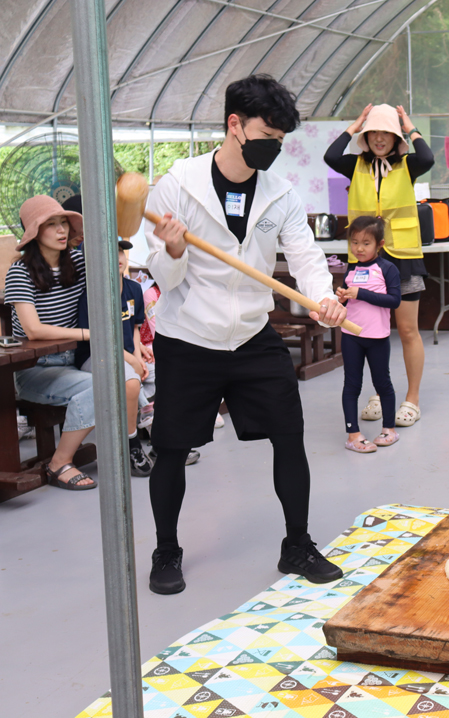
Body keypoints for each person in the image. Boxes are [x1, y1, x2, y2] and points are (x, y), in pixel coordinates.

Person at [144, 74, 347, 595]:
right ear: (234, 125)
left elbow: (304, 256)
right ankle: (166, 550)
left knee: (290, 437)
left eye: (280, 140)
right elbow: (162, 276)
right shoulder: (178, 184)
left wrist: (322, 297)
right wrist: (173, 249)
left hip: (253, 335)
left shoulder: (280, 193)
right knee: (171, 447)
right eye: (266, 136)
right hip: (188, 337)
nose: (272, 148)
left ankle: (297, 544)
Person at [323, 103, 434, 429]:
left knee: (408, 330)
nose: (380, 139)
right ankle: (378, 393)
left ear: (396, 137)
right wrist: (356, 123)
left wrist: (409, 126)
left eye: (387, 133)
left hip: (403, 257)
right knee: (371, 331)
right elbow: (331, 155)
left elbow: (427, 157)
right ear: (366, 136)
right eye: (374, 133)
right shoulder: (355, 165)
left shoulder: (407, 164)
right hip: (364, 261)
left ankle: (412, 399)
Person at [4, 196, 96, 490]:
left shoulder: (78, 263)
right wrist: (87, 333)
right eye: (51, 224)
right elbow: (33, 330)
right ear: (34, 233)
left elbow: (114, 272)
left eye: (64, 223)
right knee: (100, 387)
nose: (61, 230)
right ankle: (60, 463)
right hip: (34, 369)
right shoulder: (20, 272)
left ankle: (143, 439)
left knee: (124, 376)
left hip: (71, 362)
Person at [74, 239, 154, 477]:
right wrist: (132, 361)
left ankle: (160, 437)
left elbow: (135, 328)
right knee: (131, 380)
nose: (117, 257)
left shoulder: (134, 289)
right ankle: (133, 445)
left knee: (166, 372)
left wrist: (138, 354)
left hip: (127, 355)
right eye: (109, 252)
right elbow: (99, 340)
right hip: (96, 357)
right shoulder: (92, 295)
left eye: (119, 252)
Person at [336, 216, 401, 453]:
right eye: (354, 242)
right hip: (351, 336)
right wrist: (342, 298)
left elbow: (394, 300)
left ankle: (389, 429)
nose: (359, 248)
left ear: (379, 244)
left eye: (366, 243)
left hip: (377, 337)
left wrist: (360, 293)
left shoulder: (387, 269)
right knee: (351, 384)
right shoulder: (352, 268)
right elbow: (349, 301)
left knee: (382, 382)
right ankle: (353, 434)